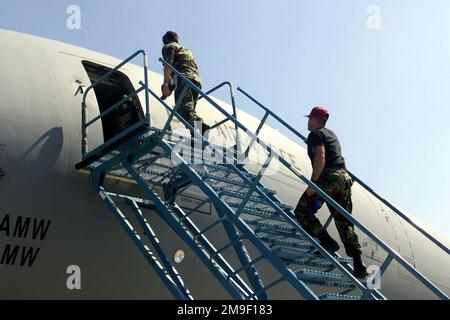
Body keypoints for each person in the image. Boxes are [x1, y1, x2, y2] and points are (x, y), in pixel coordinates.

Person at [294, 106, 368, 279]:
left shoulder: (315, 135)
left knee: (302, 210)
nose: (307, 121)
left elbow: (320, 156)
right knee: (344, 221)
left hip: (329, 178)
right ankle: (358, 264)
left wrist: (313, 184)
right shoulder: (331, 134)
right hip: (344, 178)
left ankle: (327, 241)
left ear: (313, 119)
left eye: (309, 118)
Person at [160, 31, 210, 138]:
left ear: (166, 39)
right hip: (195, 81)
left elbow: (168, 66)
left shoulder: (169, 47)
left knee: (182, 110)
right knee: (189, 110)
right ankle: (196, 136)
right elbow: (177, 71)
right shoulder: (185, 50)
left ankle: (202, 126)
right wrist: (168, 90)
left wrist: (164, 84)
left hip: (184, 79)